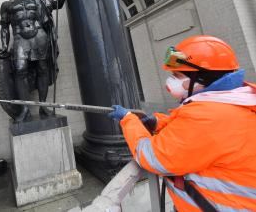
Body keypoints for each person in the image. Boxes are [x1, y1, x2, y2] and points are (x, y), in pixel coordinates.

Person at [108, 35, 256, 211]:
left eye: (177, 76)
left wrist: (128, 119)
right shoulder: (236, 101)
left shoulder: (206, 116)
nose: (170, 82)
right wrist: (156, 122)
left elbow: (151, 157)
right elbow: (191, 131)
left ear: (202, 78)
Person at [0, 0, 66, 121]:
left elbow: (59, 4)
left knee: (43, 69)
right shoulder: (7, 5)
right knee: (20, 71)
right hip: (20, 40)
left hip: (39, 38)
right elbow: (4, 27)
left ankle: (43, 107)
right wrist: (5, 46)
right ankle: (25, 109)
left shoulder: (38, 0)